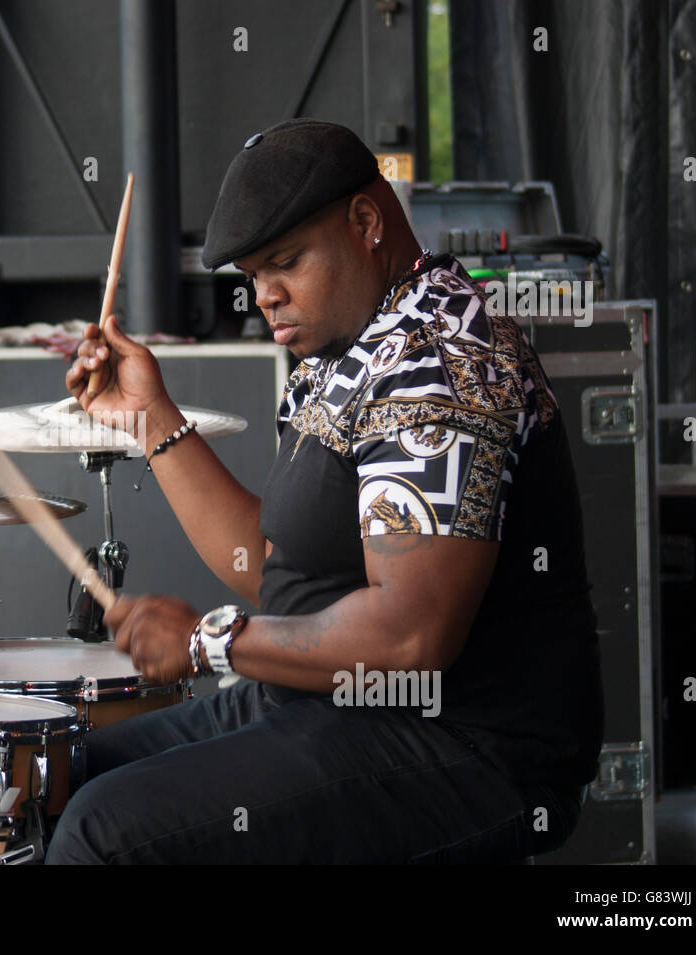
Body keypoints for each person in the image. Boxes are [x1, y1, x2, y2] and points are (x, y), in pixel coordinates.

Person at [45, 119, 602, 864]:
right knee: (63, 776)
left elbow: (409, 639)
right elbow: (277, 566)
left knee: (100, 833)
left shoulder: (434, 358)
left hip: (466, 741)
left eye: (285, 263)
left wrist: (207, 640)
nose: (265, 297)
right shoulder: (354, 343)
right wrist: (151, 417)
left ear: (366, 223)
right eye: (251, 277)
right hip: (336, 705)